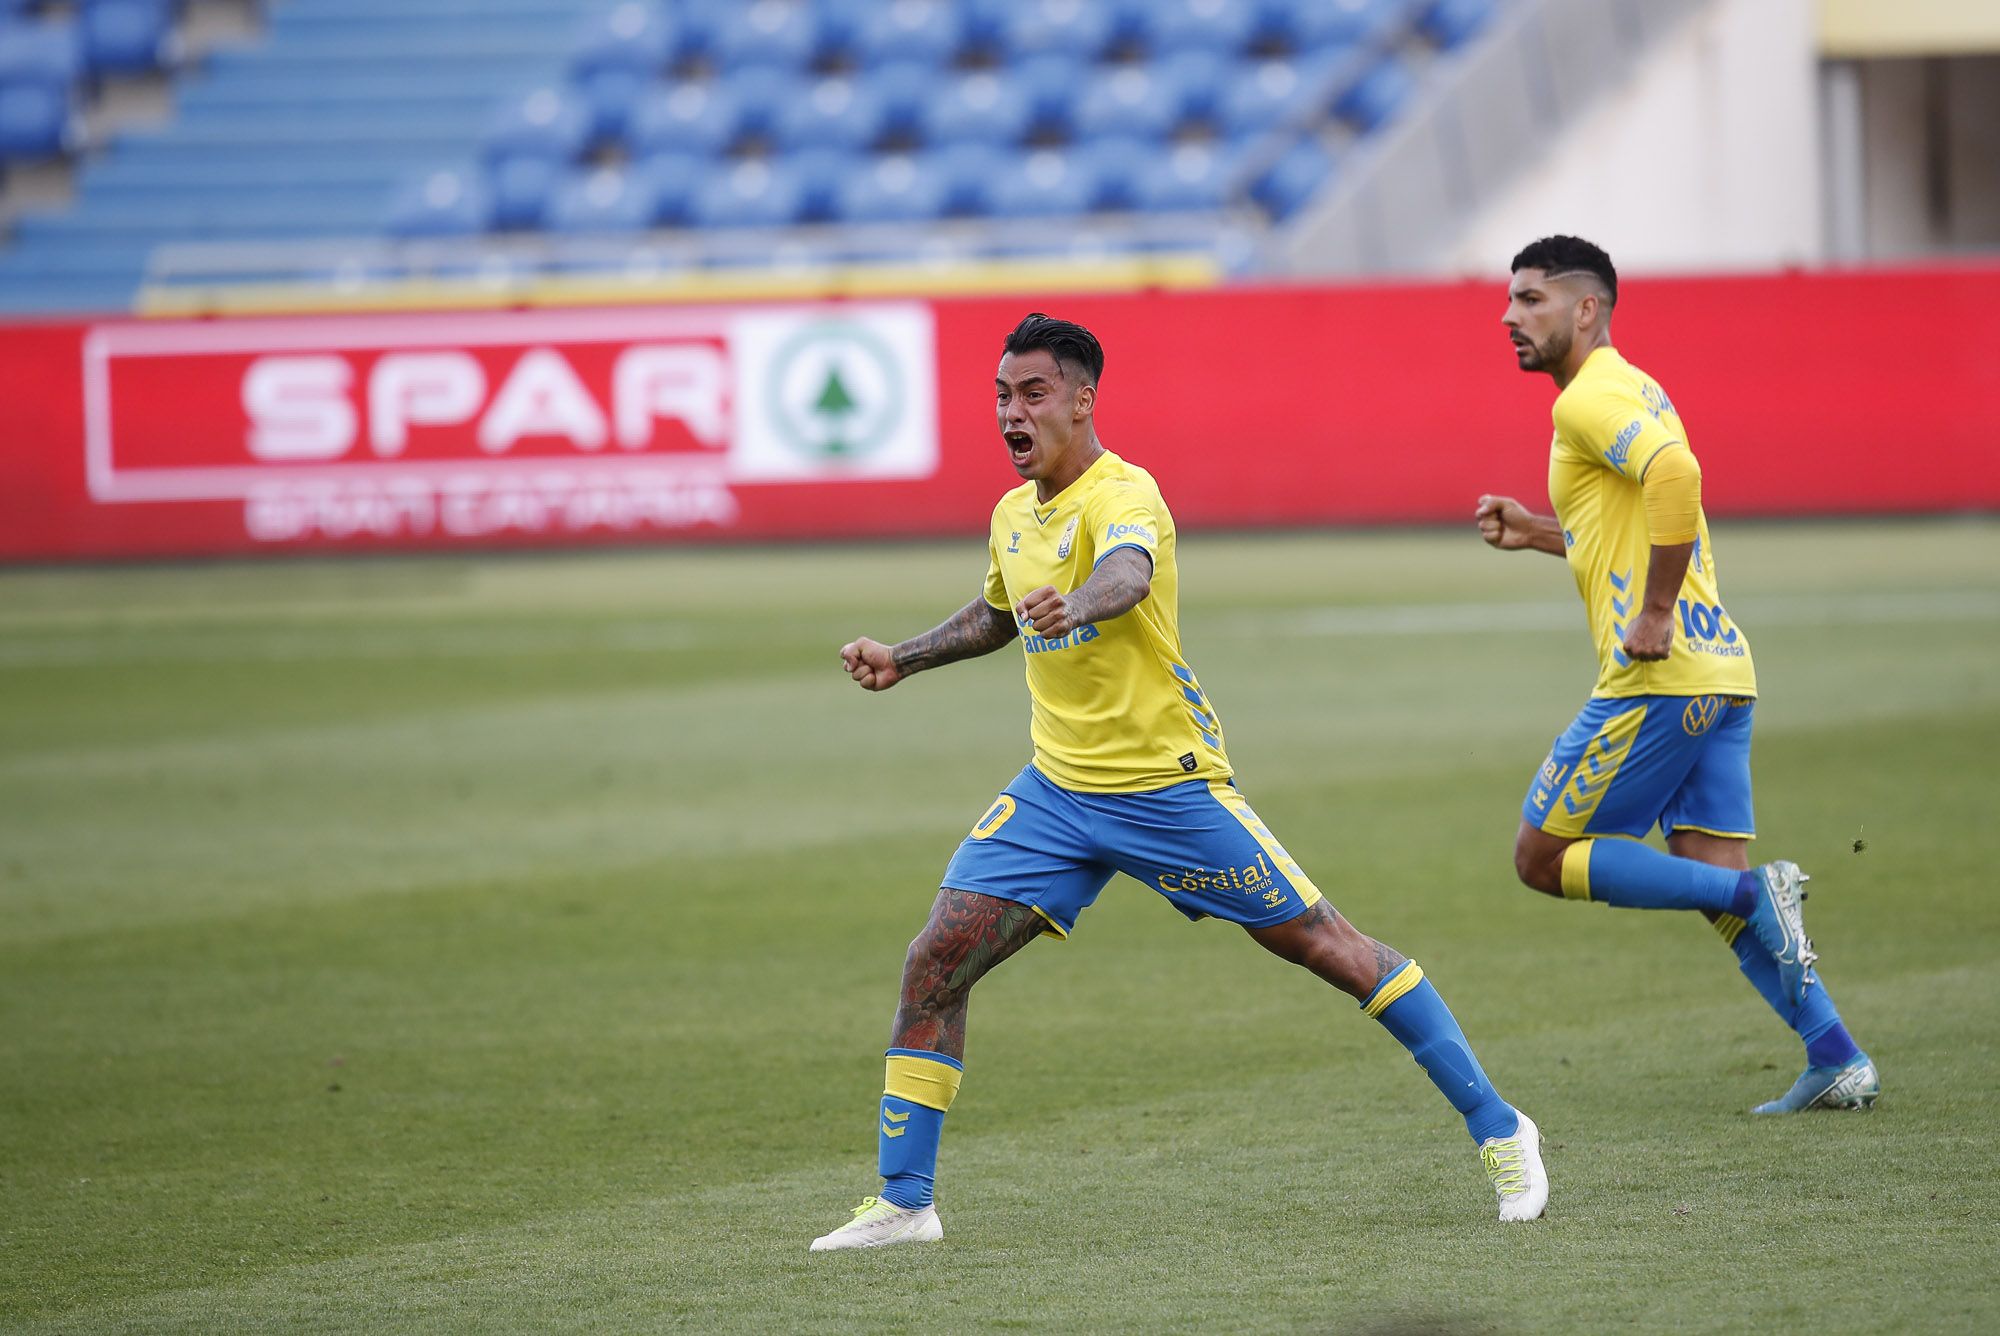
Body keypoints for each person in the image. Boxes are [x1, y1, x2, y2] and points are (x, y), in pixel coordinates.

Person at [812, 313, 1548, 1253]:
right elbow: (999, 613)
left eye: (1032, 394)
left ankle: (1501, 1128)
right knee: (934, 963)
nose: (1011, 413)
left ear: (1083, 400)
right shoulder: (1011, 514)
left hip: (1167, 790)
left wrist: (1073, 606)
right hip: (1057, 796)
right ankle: (905, 1203)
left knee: (1330, 947)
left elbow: (1123, 574)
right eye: (1001, 395)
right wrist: (903, 658)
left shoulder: (1128, 494)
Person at [1476, 235, 1877, 1115]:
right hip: (1720, 670)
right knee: (1707, 884)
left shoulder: (1589, 398)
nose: (1509, 315)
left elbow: (1677, 474)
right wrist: (1542, 531)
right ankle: (1836, 1054)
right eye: (1510, 300)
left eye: (1531, 298)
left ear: (1587, 309)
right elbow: (1631, 508)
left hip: (1660, 675)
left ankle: (1755, 889)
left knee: (1542, 857)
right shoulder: (1633, 386)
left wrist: (1651, 613)